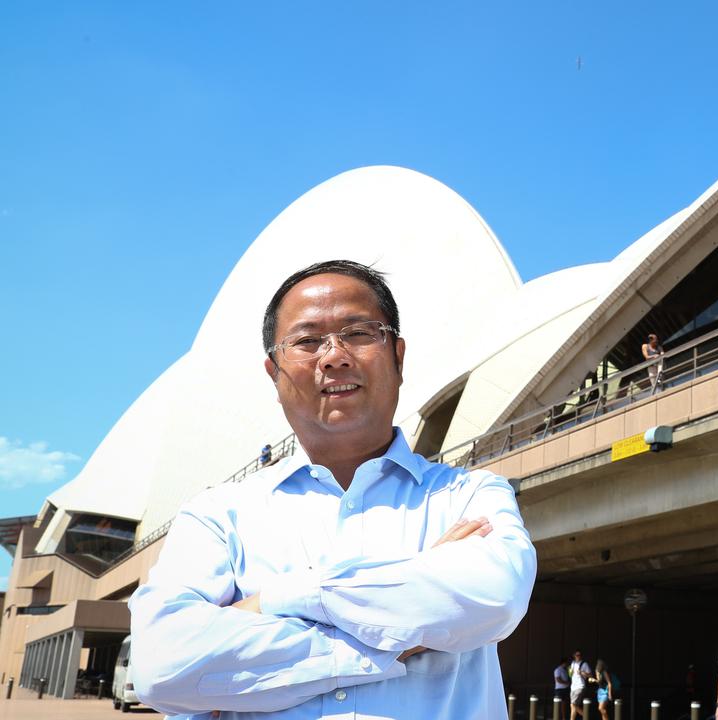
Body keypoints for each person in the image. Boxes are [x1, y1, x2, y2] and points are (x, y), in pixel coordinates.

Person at [127, 260, 538, 719]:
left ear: (398, 357)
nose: (334, 356)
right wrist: (399, 629)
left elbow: (493, 597)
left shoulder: (471, 494)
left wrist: (274, 602)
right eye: (306, 341)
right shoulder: (218, 515)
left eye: (359, 334)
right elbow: (161, 665)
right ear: (274, 372)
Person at [570, 650, 592, 720]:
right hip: (573, 687)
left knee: (573, 705)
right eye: (577, 655)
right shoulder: (572, 663)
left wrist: (582, 672)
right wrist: (570, 673)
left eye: (579, 655)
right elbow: (571, 675)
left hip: (580, 686)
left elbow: (590, 675)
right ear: (574, 655)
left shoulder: (584, 664)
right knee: (573, 706)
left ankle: (586, 717)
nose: (578, 656)